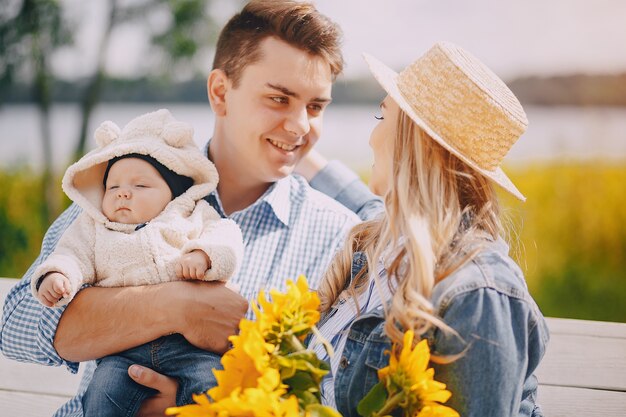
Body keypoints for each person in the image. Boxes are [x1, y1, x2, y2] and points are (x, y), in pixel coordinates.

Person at [0, 1, 381, 416]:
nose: (300, 126)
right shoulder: (133, 182)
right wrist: (174, 306)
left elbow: (333, 391)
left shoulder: (340, 238)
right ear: (220, 92)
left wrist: (202, 406)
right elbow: (16, 326)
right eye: (278, 99)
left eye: (315, 107)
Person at [310, 42, 549, 417]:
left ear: (413, 138)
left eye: (380, 117)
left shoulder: (479, 294)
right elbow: (364, 202)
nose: (371, 138)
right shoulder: (383, 246)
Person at [30, 108, 244, 415]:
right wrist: (57, 274)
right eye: (113, 186)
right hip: (122, 350)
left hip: (190, 347)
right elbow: (70, 253)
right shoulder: (94, 228)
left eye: (140, 186)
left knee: (212, 387)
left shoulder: (190, 215)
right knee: (102, 394)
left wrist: (205, 255)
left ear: (173, 193)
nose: (123, 194)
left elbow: (227, 237)